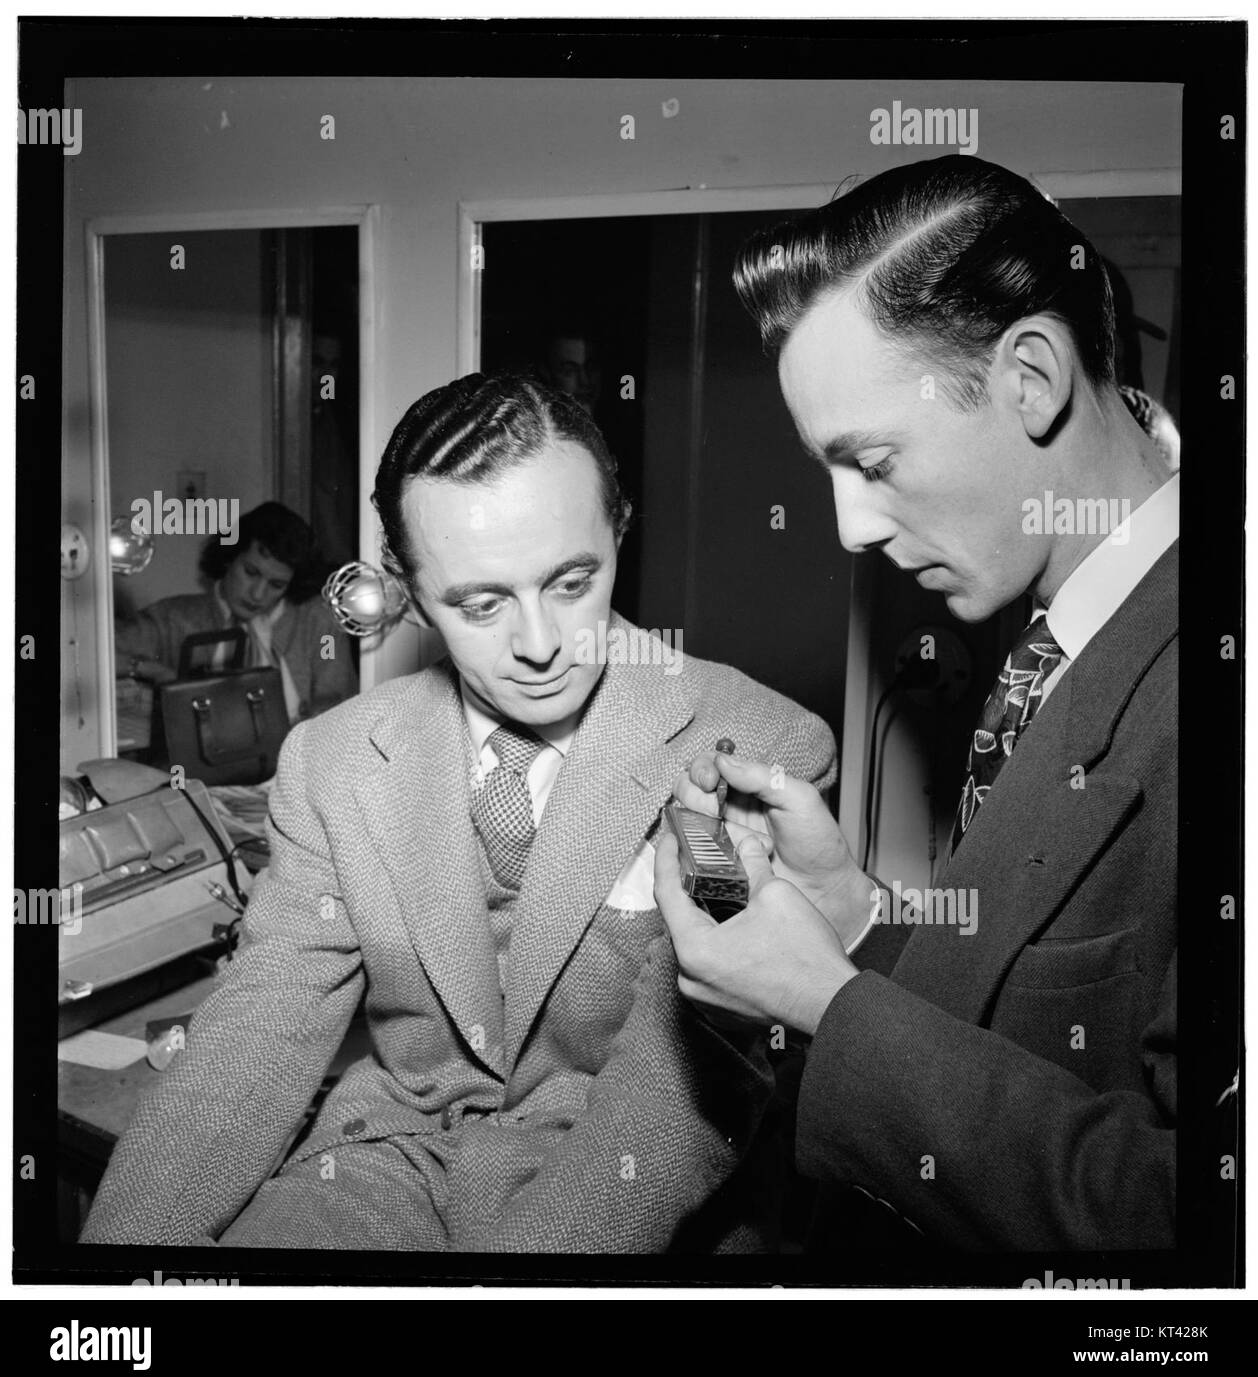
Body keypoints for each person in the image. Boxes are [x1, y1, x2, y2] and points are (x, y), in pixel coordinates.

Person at [81, 371, 836, 1252]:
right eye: (480, 604)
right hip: (385, 1161)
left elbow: (683, 1088)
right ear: (403, 586)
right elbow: (258, 1033)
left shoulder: (751, 745)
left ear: (619, 528)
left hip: (627, 1186)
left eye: (571, 581)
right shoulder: (334, 763)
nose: (542, 644)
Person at [654, 155, 1179, 1252]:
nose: (849, 528)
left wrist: (823, 1006)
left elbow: (1186, 1216)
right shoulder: (1057, 616)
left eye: (873, 460)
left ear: (1029, 379)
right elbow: (1023, 1003)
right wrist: (851, 916)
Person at [115, 501, 356, 725]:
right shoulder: (174, 618)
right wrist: (153, 671)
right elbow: (98, 655)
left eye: (276, 585)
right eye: (251, 572)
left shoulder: (319, 624)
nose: (258, 594)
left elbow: (337, 697)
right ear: (229, 558)